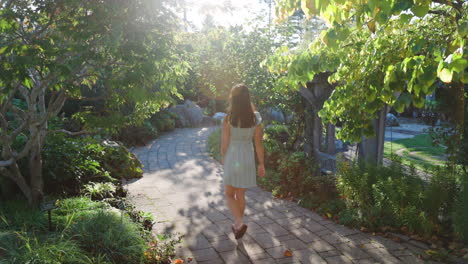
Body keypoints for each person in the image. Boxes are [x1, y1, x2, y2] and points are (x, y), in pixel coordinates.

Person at [220, 83, 265, 239]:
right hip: (247, 157)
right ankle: (238, 225)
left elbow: (225, 144)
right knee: (240, 193)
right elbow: (258, 143)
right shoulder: (256, 118)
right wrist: (261, 164)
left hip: (233, 156)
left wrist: (222, 157)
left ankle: (239, 221)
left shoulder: (228, 118)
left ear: (233, 99)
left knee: (228, 193)